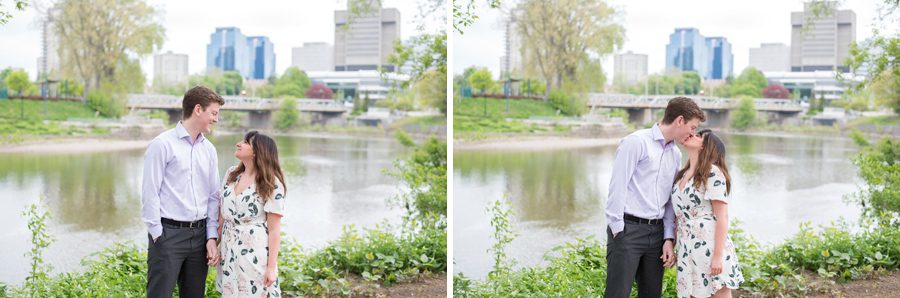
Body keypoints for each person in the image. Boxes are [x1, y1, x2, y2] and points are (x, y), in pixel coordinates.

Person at [604, 96, 706, 298]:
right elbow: (617, 186)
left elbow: (669, 200)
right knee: (617, 294)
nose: (692, 133)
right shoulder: (636, 142)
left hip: (657, 234)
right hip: (628, 231)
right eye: (692, 127)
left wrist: (668, 237)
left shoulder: (675, 154)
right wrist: (617, 229)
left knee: (651, 295)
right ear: (679, 121)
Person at [141, 85, 224, 297]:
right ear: (198, 109)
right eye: (213, 113)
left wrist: (211, 236)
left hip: (200, 237)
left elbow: (213, 197)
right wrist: (158, 235)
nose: (216, 119)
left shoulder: (209, 150)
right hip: (168, 236)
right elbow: (150, 193)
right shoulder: (161, 145)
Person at [672, 129, 744, 297]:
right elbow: (679, 216)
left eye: (698, 136)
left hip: (710, 248)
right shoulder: (682, 175)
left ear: (705, 147)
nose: (692, 134)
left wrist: (718, 256)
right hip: (687, 250)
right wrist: (673, 244)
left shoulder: (713, 173)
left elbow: (722, 217)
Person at [216, 131, 286, 297]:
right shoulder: (232, 174)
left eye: (246, 142)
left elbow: (275, 230)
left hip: (254, 252)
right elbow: (221, 216)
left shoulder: (271, 183)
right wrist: (214, 243)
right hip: (229, 250)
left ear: (257, 151)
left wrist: (270, 268)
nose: (238, 143)